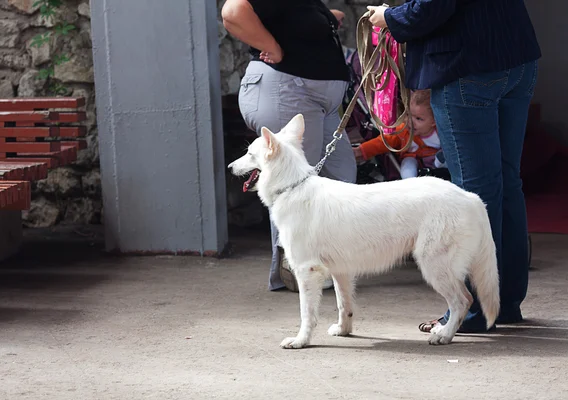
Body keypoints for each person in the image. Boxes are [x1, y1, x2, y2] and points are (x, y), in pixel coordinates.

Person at [367, 1, 541, 333]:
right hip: (515, 54)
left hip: (466, 63)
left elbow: (433, 6)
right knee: (505, 182)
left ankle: (475, 311)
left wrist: (389, 18)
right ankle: (503, 304)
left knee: (476, 191)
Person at [221, 0, 357, 291]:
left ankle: (326, 263)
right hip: (289, 90)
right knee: (294, 186)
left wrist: (327, 21)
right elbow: (233, 13)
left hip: (318, 100)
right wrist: (272, 45)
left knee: (341, 175)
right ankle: (297, 270)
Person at [353, 89, 447, 179]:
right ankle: (410, 181)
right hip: (414, 158)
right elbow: (382, 142)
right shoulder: (402, 130)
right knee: (407, 166)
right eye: (408, 115)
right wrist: (361, 150)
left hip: (436, 158)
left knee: (447, 156)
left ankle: (439, 163)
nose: (410, 121)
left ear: (434, 121)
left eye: (418, 119)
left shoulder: (441, 132)